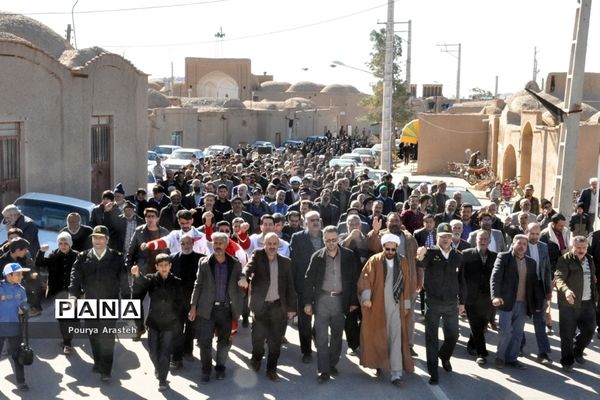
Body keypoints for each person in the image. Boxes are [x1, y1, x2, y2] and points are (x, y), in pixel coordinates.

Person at [68, 225, 131, 383]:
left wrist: (127, 301)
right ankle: (98, 362)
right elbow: (75, 277)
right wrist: (73, 295)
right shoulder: (83, 257)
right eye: (95, 238)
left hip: (110, 302)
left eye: (101, 238)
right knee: (93, 334)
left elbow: (124, 281)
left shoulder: (117, 257)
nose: (98, 241)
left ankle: (106, 370)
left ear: (107, 240)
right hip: (90, 302)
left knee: (108, 336)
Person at [358, 233, 415, 386]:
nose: (390, 252)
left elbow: (407, 284)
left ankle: (396, 374)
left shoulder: (402, 261)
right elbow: (366, 279)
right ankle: (378, 363)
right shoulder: (375, 260)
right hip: (377, 305)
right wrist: (366, 298)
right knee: (378, 336)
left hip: (397, 306)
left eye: (392, 249)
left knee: (396, 338)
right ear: (382, 247)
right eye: (387, 249)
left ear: (396, 248)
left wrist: (407, 306)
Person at [303, 226, 358, 383]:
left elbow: (354, 279)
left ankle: (332, 363)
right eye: (328, 240)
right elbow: (308, 281)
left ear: (339, 239)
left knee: (336, 336)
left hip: (340, 301)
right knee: (321, 337)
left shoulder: (348, 255)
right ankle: (323, 370)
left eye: (334, 240)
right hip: (322, 301)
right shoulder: (317, 257)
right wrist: (307, 302)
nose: (331, 243)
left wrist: (354, 302)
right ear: (323, 240)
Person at [188, 232, 245, 383]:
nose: (218, 246)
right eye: (215, 243)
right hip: (207, 309)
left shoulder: (235, 263)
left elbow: (241, 286)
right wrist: (193, 306)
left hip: (226, 310)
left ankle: (220, 367)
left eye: (221, 243)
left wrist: (238, 308)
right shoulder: (204, 262)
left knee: (224, 342)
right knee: (205, 342)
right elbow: (198, 285)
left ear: (226, 245)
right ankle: (206, 370)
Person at [242, 232, 297, 381]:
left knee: (275, 342)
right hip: (260, 306)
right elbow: (249, 267)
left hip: (278, 308)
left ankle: (271, 369)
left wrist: (292, 308)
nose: (272, 247)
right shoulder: (258, 255)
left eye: (275, 244)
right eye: (269, 244)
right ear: (264, 245)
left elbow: (290, 287)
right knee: (258, 339)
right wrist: (243, 277)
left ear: (278, 245)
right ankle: (256, 359)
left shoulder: (286, 262)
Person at [416, 223, 465, 385]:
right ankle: (433, 371)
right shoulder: (430, 253)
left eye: (448, 236)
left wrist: (462, 302)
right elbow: (419, 265)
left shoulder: (458, 255)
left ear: (453, 238)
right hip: (433, 302)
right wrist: (420, 255)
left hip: (451, 303)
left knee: (453, 335)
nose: (446, 239)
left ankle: (444, 356)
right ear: (437, 238)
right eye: (443, 237)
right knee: (432, 339)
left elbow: (462, 280)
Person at [490, 234, 543, 370]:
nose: (521, 246)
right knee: (506, 332)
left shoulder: (531, 262)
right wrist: (495, 296)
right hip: (506, 302)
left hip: (523, 304)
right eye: (519, 243)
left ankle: (512, 358)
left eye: (524, 244)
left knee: (518, 334)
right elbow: (495, 278)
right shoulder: (504, 257)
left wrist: (540, 303)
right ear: (512, 244)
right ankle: (500, 357)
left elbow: (535, 284)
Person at [132, 254, 184, 391]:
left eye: (166, 265)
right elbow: (142, 282)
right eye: (161, 265)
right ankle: (159, 369)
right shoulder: (151, 279)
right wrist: (137, 275)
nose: (164, 268)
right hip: (154, 322)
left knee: (165, 353)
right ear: (156, 267)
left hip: (169, 323)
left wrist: (176, 318)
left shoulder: (177, 281)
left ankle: (162, 379)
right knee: (153, 352)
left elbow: (180, 302)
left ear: (170, 266)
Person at [554, 235, 598, 372]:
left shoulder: (589, 259)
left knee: (590, 330)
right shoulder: (565, 259)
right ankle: (567, 361)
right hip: (569, 304)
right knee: (567, 334)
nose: (581, 250)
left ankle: (577, 351)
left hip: (587, 303)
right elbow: (559, 277)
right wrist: (566, 291)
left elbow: (592, 277)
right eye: (578, 247)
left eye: (584, 248)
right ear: (573, 247)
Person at [126, 208, 170, 341]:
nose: (150, 219)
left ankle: (154, 328)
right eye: (148, 216)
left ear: (157, 218)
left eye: (153, 216)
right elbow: (131, 251)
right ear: (145, 218)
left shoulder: (164, 232)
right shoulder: (139, 231)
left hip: (159, 273)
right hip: (142, 272)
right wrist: (129, 269)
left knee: (157, 303)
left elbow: (169, 252)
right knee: (135, 302)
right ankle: (139, 328)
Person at [35, 233, 79, 354]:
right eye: (60, 243)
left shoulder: (77, 256)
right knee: (63, 318)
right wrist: (41, 252)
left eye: (65, 243)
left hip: (73, 292)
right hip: (58, 292)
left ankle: (69, 336)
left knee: (74, 318)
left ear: (70, 244)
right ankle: (67, 343)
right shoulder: (53, 255)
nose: (63, 246)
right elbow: (39, 264)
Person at [289, 211, 323, 363]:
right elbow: (293, 263)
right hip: (304, 287)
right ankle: (307, 351)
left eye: (317, 220)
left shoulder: (326, 236)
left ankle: (318, 340)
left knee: (321, 320)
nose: (315, 222)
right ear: (305, 223)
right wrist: (294, 288)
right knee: (304, 322)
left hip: (324, 287)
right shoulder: (298, 238)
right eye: (311, 220)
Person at [461, 230, 496, 364]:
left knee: (481, 325)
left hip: (487, 299)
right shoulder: (466, 254)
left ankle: (471, 344)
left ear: (489, 241)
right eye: (480, 239)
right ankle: (482, 354)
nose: (483, 241)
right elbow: (462, 276)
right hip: (470, 297)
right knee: (475, 324)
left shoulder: (495, 256)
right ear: (476, 240)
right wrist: (461, 298)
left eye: (485, 239)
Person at [169, 234, 204, 368]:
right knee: (176, 329)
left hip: (193, 301)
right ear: (179, 244)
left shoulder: (201, 259)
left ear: (193, 243)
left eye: (188, 243)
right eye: (183, 243)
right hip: (176, 301)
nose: (186, 246)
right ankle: (176, 356)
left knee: (191, 328)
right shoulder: (172, 258)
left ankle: (188, 351)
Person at [523, 223, 553, 364]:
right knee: (519, 318)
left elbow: (547, 270)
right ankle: (519, 347)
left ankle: (544, 353)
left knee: (540, 321)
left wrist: (548, 291)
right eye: (532, 233)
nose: (535, 237)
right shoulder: (519, 244)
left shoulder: (543, 247)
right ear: (526, 231)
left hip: (538, 288)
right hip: (522, 287)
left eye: (537, 234)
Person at [0, 262, 30, 391]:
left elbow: (26, 304)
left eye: (21, 274)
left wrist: (24, 310)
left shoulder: (21, 289)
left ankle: (21, 382)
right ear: (9, 275)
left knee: (18, 356)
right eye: (18, 274)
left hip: (14, 329)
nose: (21, 276)